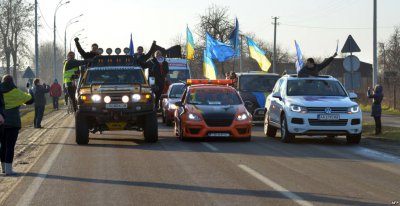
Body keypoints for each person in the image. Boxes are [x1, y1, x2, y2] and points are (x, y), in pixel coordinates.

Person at [1, 75, 33, 175]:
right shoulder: (16, 92)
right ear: (12, 81)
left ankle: (3, 169)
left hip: (1, 122)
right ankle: (9, 170)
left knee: (3, 145)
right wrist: (29, 89)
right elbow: (30, 100)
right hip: (13, 122)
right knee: (10, 146)